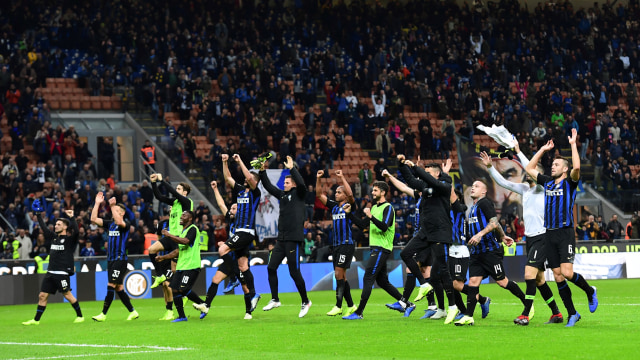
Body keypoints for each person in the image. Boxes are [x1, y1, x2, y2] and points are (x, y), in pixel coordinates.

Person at [480, 146, 563, 326]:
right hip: (530, 238)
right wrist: (489, 167)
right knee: (540, 280)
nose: (527, 173)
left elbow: (529, 167)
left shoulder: (544, 188)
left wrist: (518, 150)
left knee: (529, 274)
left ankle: (525, 314)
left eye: (531, 171)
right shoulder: (525, 189)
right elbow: (504, 183)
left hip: (543, 237)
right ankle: (556, 313)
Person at [524, 129, 598, 327]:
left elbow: (577, 167)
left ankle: (590, 291)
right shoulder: (547, 183)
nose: (553, 166)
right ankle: (572, 313)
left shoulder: (570, 183)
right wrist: (542, 149)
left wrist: (573, 144)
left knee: (566, 272)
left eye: (557, 164)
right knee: (557, 276)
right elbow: (529, 168)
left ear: (564, 169)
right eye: (553, 163)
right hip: (549, 234)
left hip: (565, 233)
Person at [195, 153, 261, 320]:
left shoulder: (255, 193)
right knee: (241, 267)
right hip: (238, 240)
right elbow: (228, 178)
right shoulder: (238, 196)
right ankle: (210, 305)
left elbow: (249, 178)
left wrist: (240, 161)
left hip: (245, 233)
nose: (248, 178)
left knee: (223, 249)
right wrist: (225, 162)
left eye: (251, 177)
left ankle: (235, 281)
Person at [396, 155, 459, 324]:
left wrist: (416, 168)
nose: (425, 175)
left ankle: (452, 307)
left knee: (442, 270)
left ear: (436, 174)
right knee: (405, 254)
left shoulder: (443, 186)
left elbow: (427, 179)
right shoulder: (424, 186)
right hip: (425, 232)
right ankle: (424, 285)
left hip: (440, 231)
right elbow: (409, 179)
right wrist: (401, 164)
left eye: (428, 172)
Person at [455, 179, 526, 326]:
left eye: (476, 186)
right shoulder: (472, 207)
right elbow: (496, 225)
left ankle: (527, 302)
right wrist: (502, 235)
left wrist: (480, 234)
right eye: (472, 185)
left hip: (489, 251)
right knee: (473, 282)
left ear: (484, 191)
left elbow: (493, 222)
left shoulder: (484, 203)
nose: (472, 188)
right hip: (476, 252)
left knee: (502, 282)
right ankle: (469, 316)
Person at [381, 167, 439, 319]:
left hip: (424, 238)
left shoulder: (431, 196)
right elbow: (403, 186)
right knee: (425, 270)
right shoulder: (418, 196)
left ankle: (404, 302)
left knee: (412, 269)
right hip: (420, 237)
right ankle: (431, 305)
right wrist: (389, 176)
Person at [342, 181, 404, 320]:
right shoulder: (374, 207)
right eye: (373, 190)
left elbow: (384, 227)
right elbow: (363, 224)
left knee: (368, 277)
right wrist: (350, 214)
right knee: (382, 281)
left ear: (383, 192)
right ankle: (406, 302)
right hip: (376, 248)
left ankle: (359, 312)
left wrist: (370, 216)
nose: (372, 192)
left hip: (382, 247)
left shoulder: (388, 208)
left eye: (375, 190)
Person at [259, 156, 312, 317]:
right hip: (281, 239)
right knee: (270, 267)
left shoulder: (300, 194)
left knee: (294, 272)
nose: (284, 184)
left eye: (287, 182)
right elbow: (268, 186)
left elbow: (302, 184)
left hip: (293, 239)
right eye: (284, 183)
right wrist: (262, 171)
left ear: (293, 184)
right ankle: (275, 299)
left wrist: (291, 169)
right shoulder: (282, 195)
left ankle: (305, 301)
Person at [23, 203, 84, 325]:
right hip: (50, 272)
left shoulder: (69, 240)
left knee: (68, 295)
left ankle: (80, 316)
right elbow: (44, 228)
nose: (56, 226)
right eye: (56, 224)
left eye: (59, 224)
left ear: (65, 227)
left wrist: (72, 217)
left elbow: (76, 231)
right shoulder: (53, 238)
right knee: (42, 296)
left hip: (62, 273)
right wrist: (38, 214)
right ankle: (36, 320)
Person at [90, 192, 139, 322]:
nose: (113, 212)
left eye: (117, 210)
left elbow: (119, 221)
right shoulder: (110, 224)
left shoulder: (125, 224)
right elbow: (93, 219)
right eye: (113, 210)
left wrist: (112, 206)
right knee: (119, 288)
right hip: (111, 260)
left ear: (122, 213)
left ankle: (103, 314)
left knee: (111, 284)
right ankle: (133, 312)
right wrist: (97, 203)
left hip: (120, 259)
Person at [316, 169, 357, 317]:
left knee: (338, 274)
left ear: (345, 194)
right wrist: (318, 179)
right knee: (341, 277)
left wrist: (342, 177)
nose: (336, 194)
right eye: (336, 192)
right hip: (336, 245)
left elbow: (351, 195)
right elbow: (319, 195)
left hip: (346, 244)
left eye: (339, 192)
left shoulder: (349, 206)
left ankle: (338, 306)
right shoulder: (334, 206)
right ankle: (351, 305)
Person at [148, 173, 194, 287]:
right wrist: (153, 183)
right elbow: (159, 197)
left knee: (175, 270)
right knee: (151, 249)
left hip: (179, 239)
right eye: (176, 188)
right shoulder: (175, 202)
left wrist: (162, 180)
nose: (176, 190)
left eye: (179, 189)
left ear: (184, 193)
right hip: (170, 237)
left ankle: (184, 292)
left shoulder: (186, 202)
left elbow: (172, 192)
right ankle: (160, 276)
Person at [161, 211, 206, 322]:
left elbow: (186, 241)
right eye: (181, 216)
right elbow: (177, 251)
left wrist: (169, 235)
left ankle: (202, 304)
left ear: (190, 219)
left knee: (183, 289)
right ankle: (182, 316)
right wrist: (164, 257)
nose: (181, 217)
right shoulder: (183, 232)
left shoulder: (193, 229)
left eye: (184, 216)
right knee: (175, 290)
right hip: (181, 266)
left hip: (191, 265)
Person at [150, 215, 178, 321]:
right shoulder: (162, 224)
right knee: (164, 286)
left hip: (172, 258)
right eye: (170, 207)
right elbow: (158, 240)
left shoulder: (180, 223)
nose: (171, 208)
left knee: (168, 283)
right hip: (162, 257)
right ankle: (168, 310)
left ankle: (171, 311)